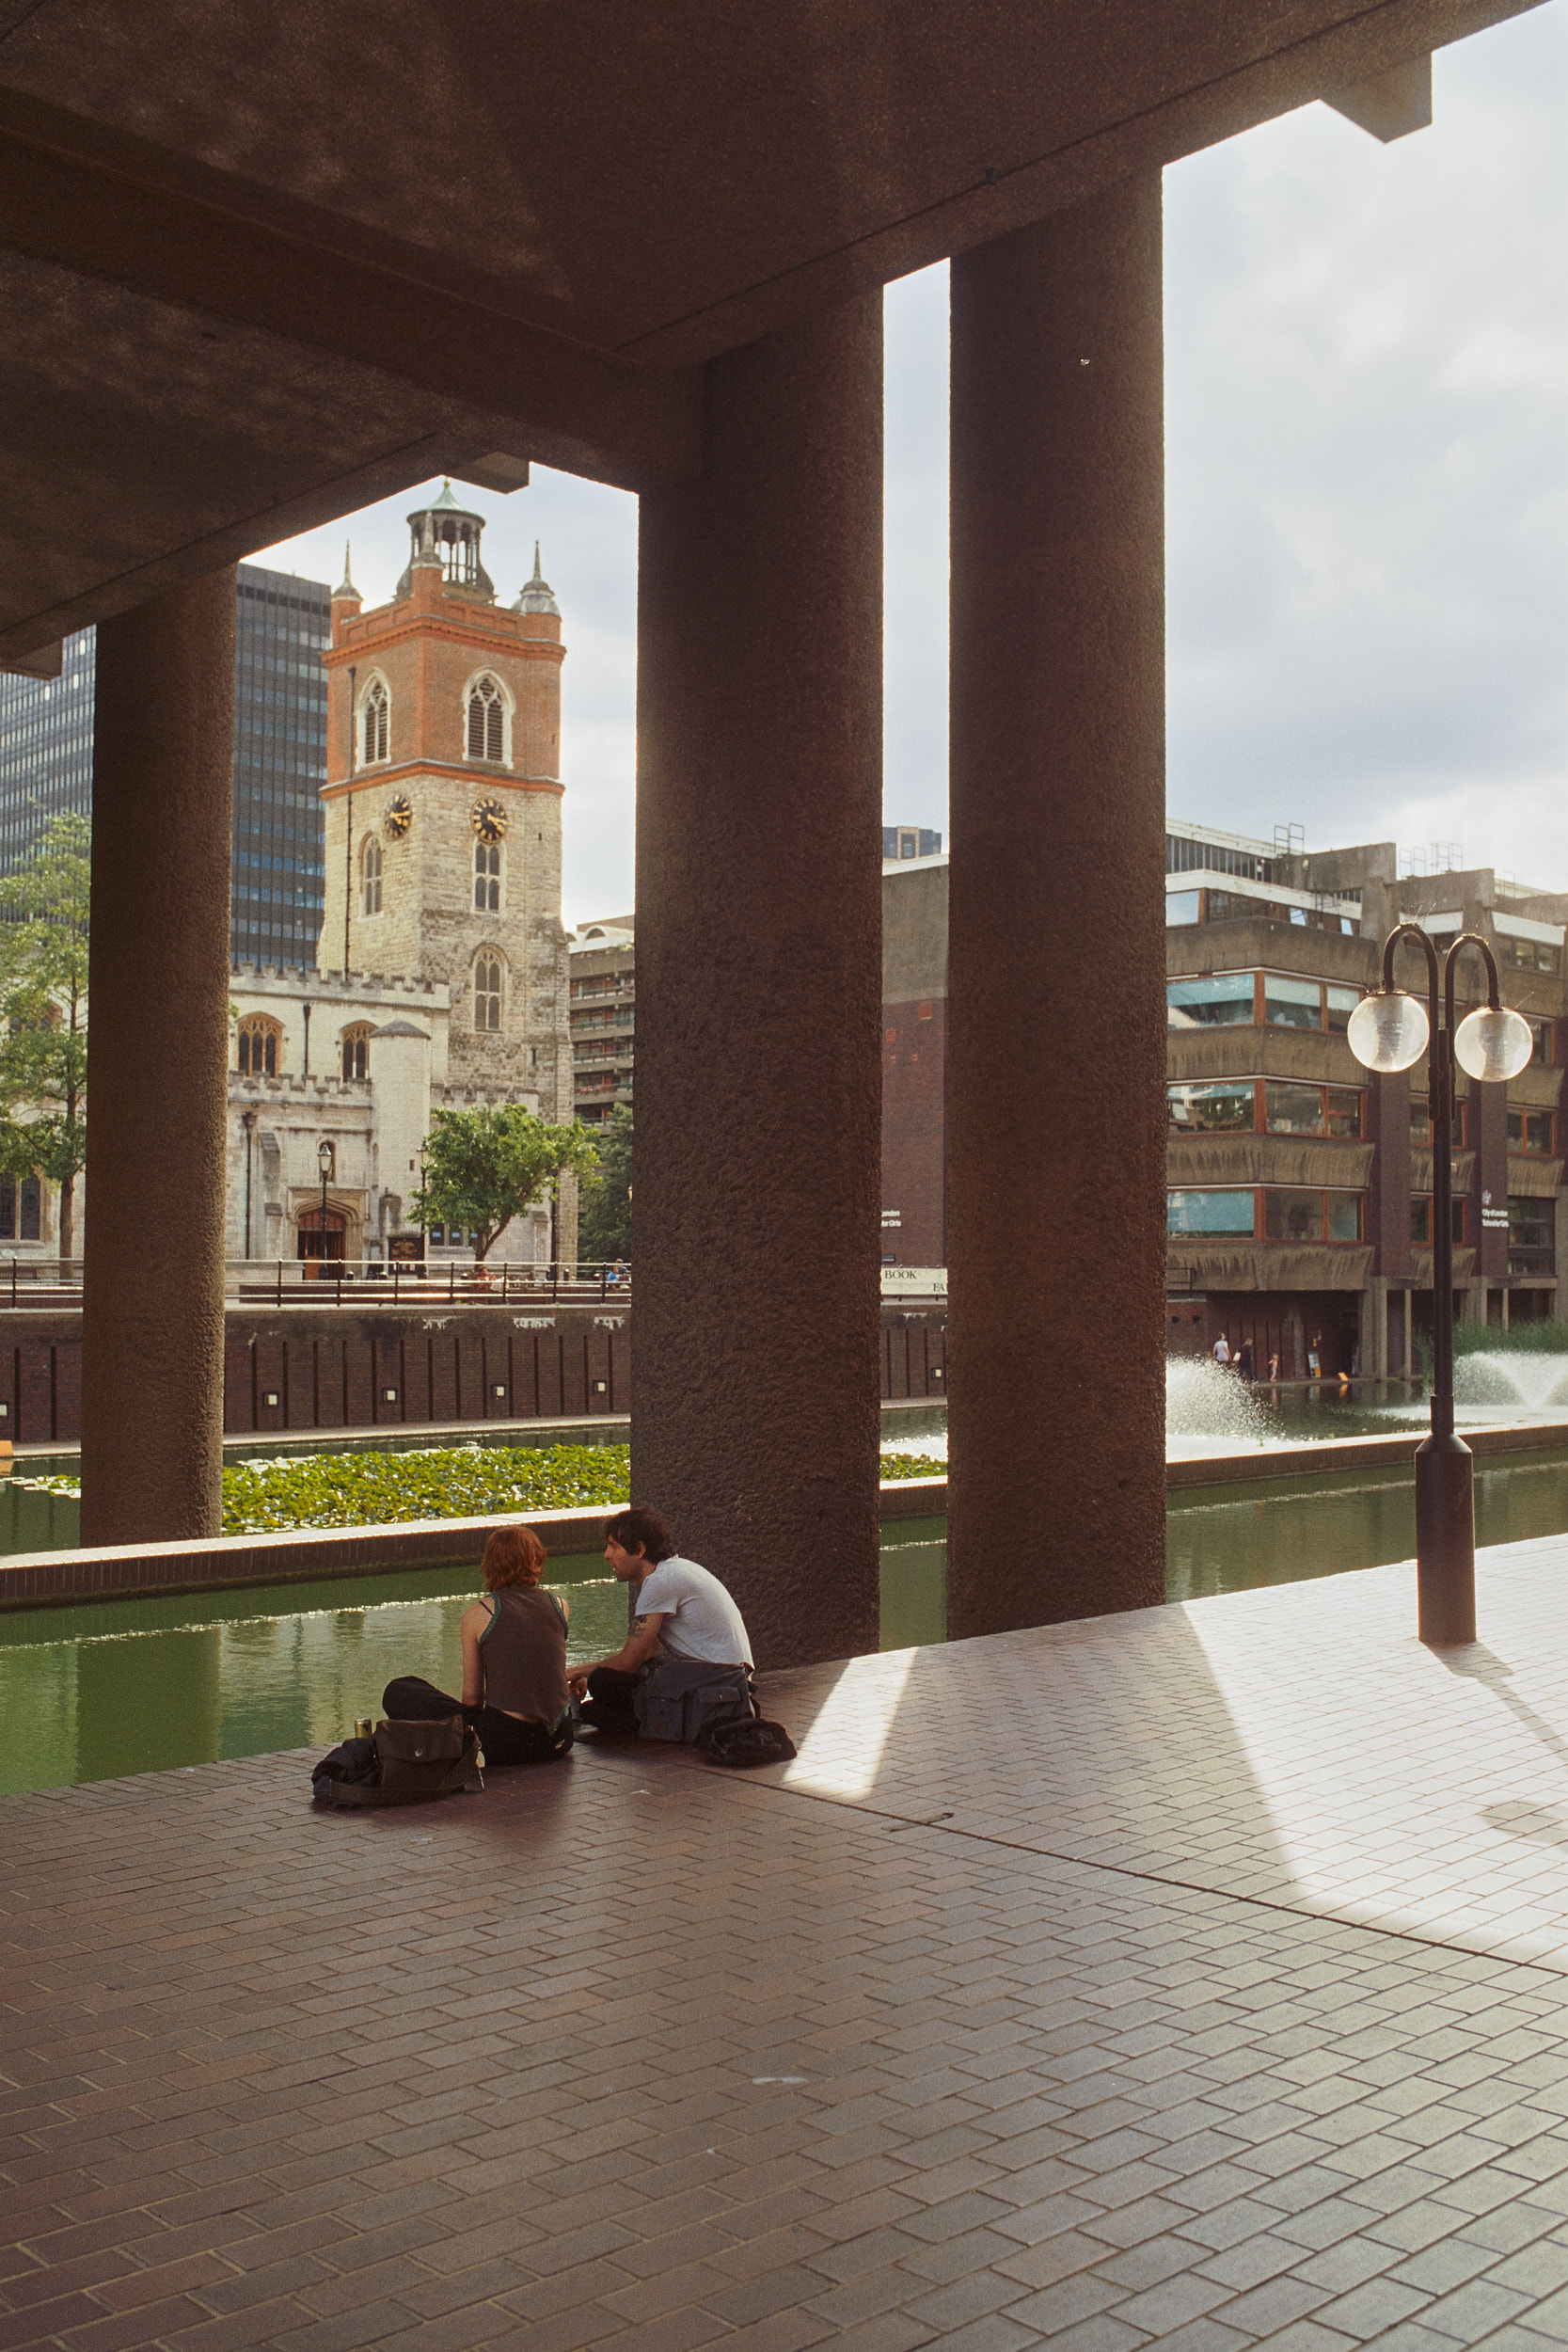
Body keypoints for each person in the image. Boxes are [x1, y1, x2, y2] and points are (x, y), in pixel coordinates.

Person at [383, 1523, 573, 1766]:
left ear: (489, 1566)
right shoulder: (560, 1605)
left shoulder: (478, 1614)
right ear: (536, 1561)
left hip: (505, 1744)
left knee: (401, 1690)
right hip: (559, 1740)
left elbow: (472, 1698)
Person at [570, 1504, 752, 1736]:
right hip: (733, 1683)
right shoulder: (674, 1570)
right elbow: (648, 1651)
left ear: (639, 1549)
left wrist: (576, 1672)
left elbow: (627, 1662)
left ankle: (655, 1721)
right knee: (618, 1685)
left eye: (614, 1546)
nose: (606, 1555)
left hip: (717, 1684)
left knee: (601, 1687)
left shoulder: (659, 1582)